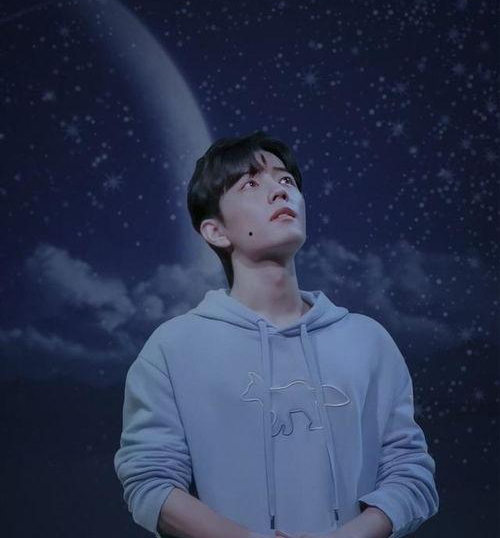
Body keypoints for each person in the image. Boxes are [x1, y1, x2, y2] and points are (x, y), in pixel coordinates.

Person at [114, 130, 439, 538]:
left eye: (286, 180)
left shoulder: (368, 340)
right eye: (251, 184)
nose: (280, 191)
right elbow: (149, 482)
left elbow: (410, 474)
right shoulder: (172, 348)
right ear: (215, 231)